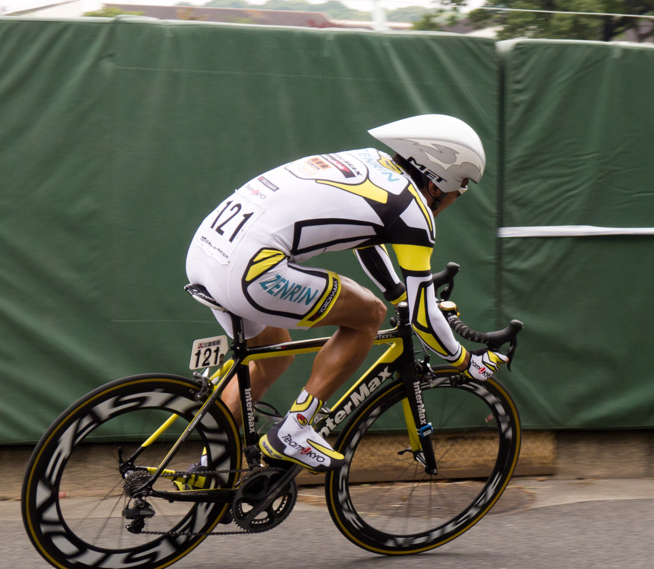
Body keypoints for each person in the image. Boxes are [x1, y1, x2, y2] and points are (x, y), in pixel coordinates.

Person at [185, 114, 507, 472]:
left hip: (206, 252)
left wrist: (401, 294)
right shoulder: (415, 211)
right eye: (459, 189)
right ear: (436, 184)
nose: (456, 198)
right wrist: (466, 362)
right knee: (368, 314)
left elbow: (366, 241)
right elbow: (423, 318)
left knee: (272, 359)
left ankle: (209, 468)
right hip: (248, 270)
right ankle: (294, 430)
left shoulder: (372, 161)